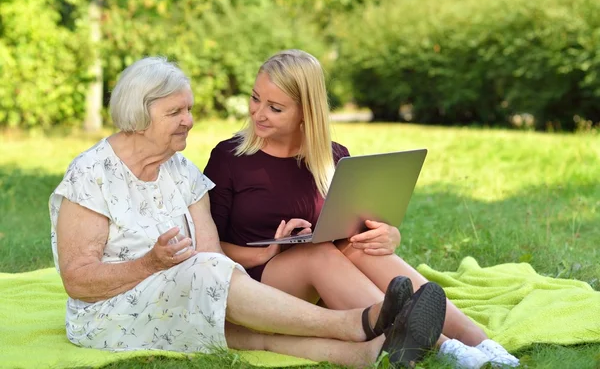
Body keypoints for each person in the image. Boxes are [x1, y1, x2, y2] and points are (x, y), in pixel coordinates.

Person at [48, 56, 448, 368]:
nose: (189, 121)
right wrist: (151, 264)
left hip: (186, 297)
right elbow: (78, 281)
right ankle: (358, 321)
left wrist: (265, 262)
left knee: (234, 312)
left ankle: (370, 354)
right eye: (175, 113)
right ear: (137, 115)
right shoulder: (92, 173)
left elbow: (214, 259)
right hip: (112, 314)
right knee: (209, 282)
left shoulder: (182, 172)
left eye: (188, 109)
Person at [203, 49, 520, 369]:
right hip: (258, 284)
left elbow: (353, 225)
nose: (258, 113)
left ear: (305, 112)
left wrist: (387, 235)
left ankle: (481, 342)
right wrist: (264, 253)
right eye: (255, 99)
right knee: (319, 254)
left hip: (328, 276)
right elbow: (207, 250)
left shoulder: (334, 158)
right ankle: (445, 348)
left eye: (275, 108)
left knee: (359, 247)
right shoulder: (229, 158)